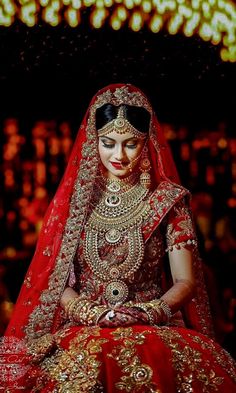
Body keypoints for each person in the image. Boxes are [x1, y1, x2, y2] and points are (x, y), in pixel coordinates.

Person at [4, 84, 236, 392]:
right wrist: (91, 311)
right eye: (108, 143)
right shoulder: (76, 202)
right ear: (93, 141)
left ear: (147, 143)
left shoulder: (167, 200)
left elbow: (186, 281)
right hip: (85, 327)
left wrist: (148, 311)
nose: (119, 155)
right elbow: (58, 279)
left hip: (152, 325)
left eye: (130, 144)